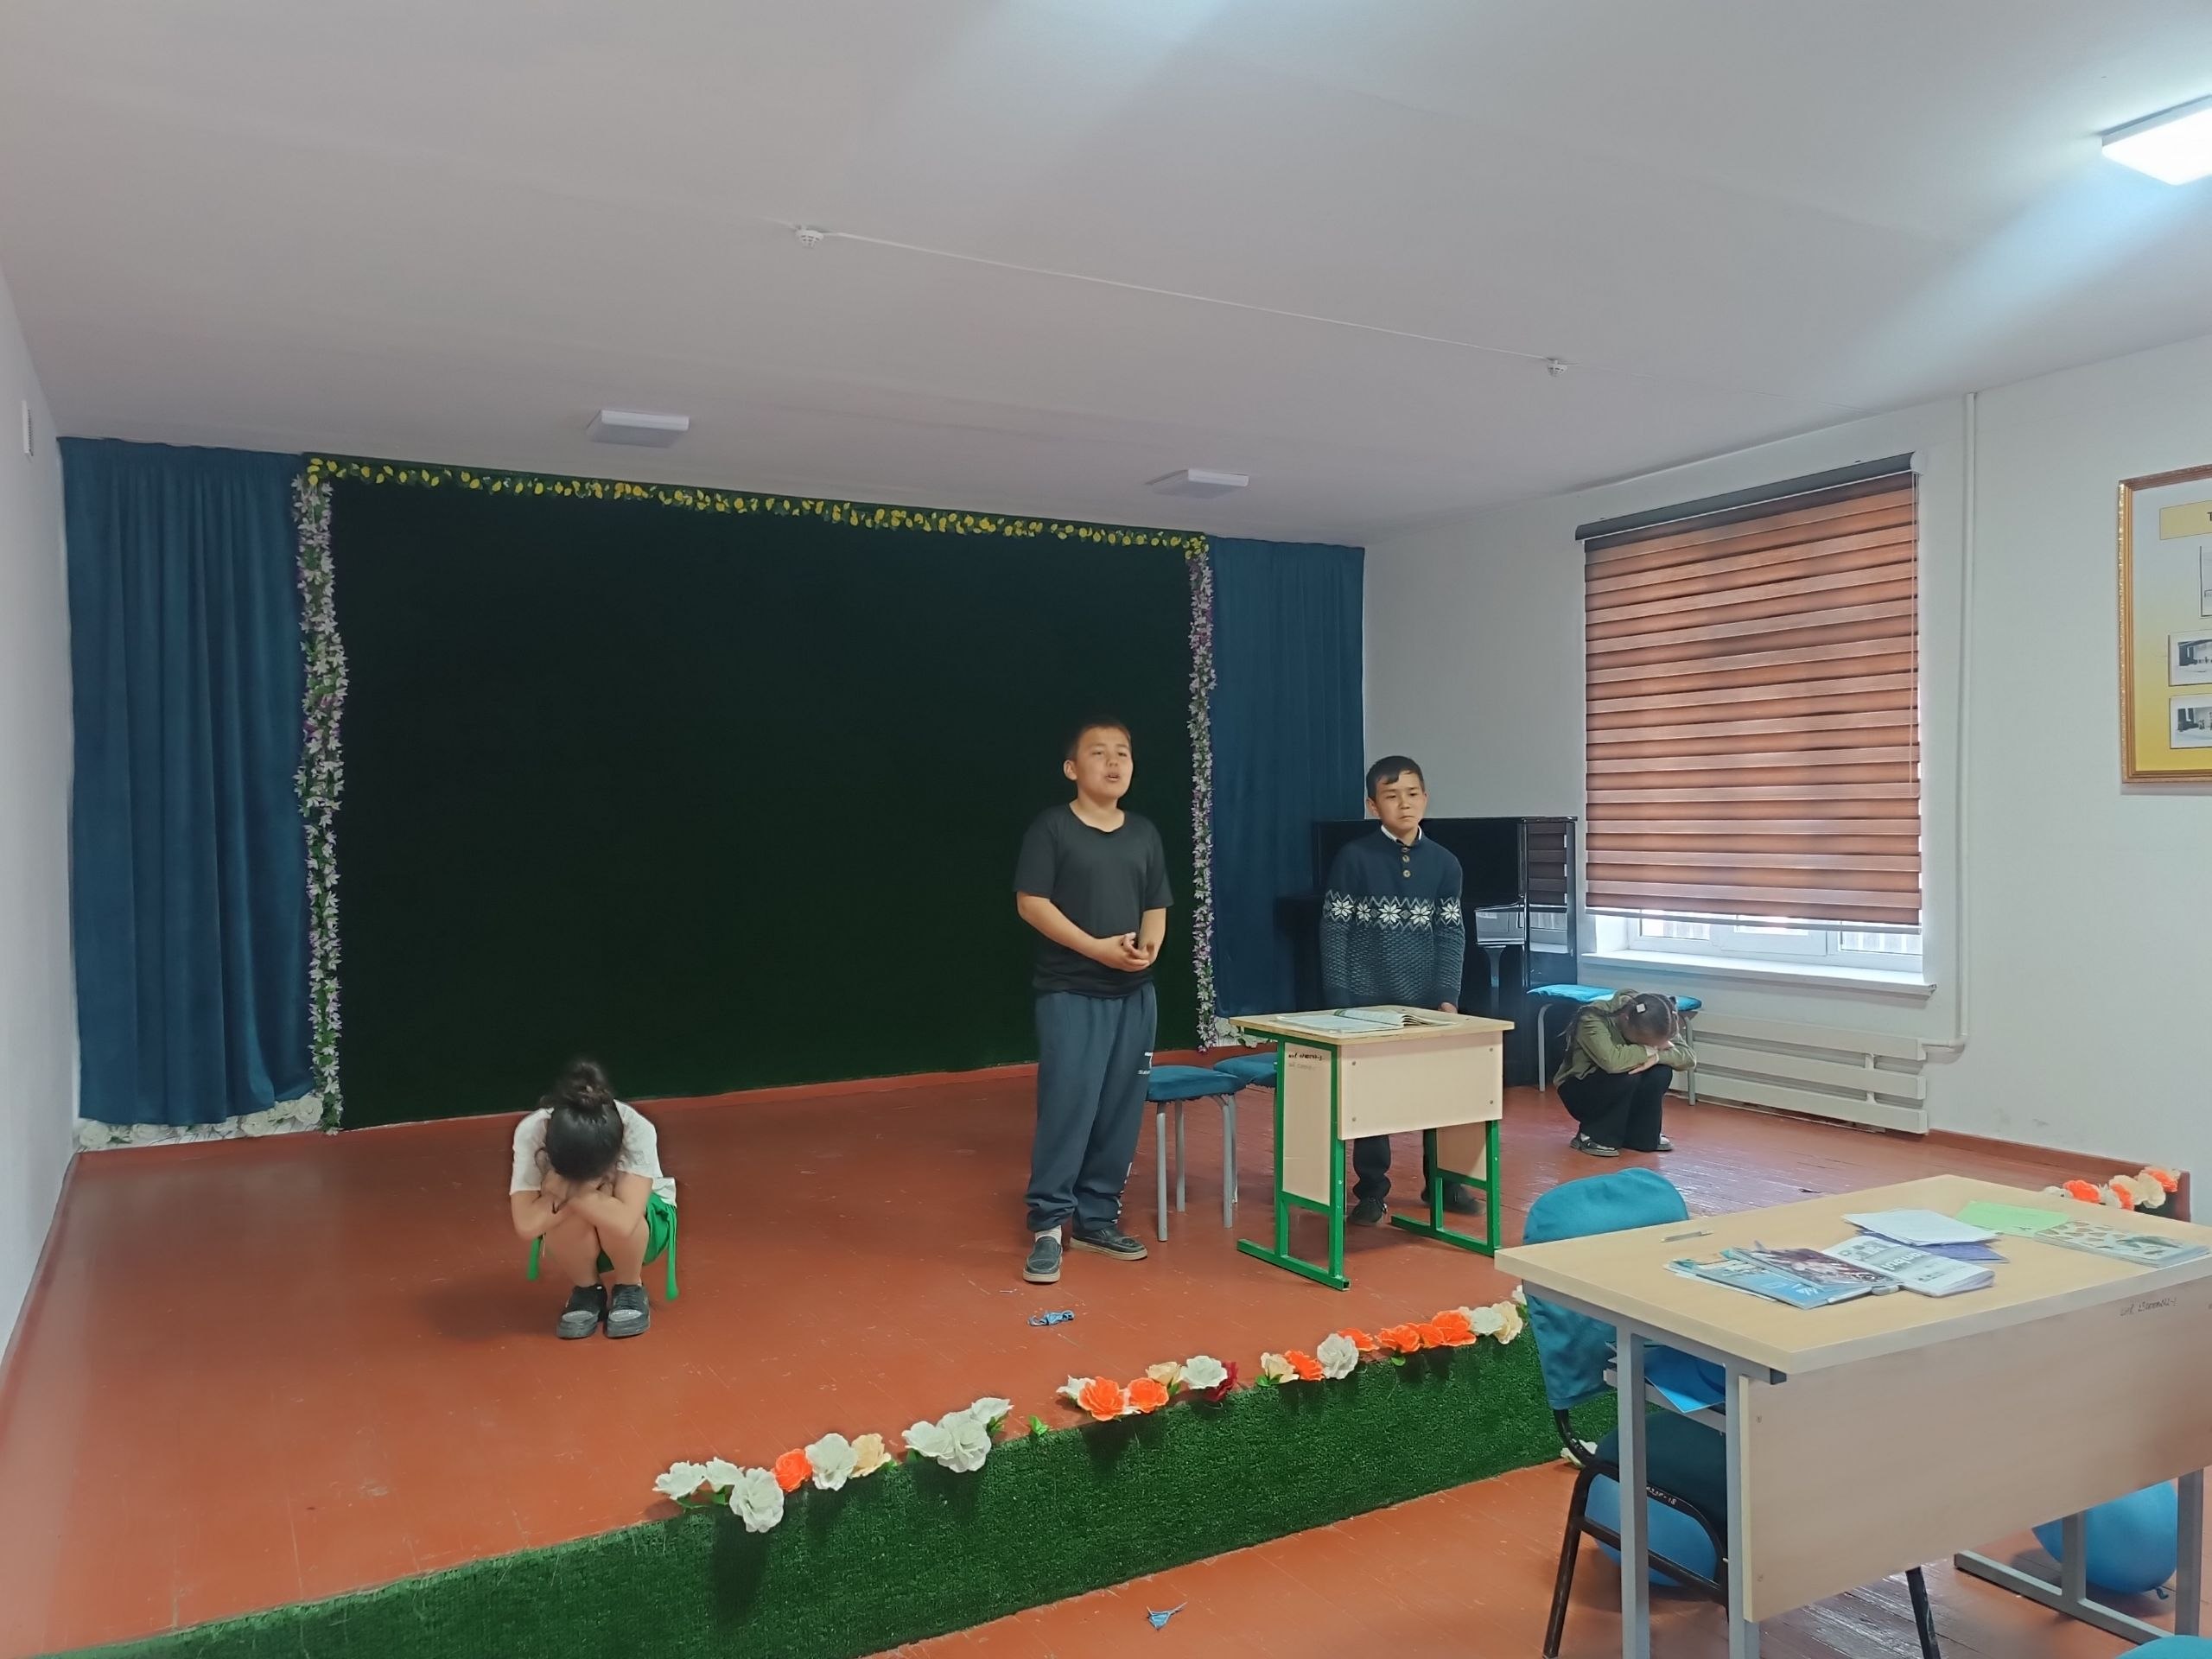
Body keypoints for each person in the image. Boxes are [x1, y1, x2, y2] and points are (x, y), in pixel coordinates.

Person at [1014, 718, 1172, 1285]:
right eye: (1099, 753)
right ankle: (1049, 1226)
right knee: (1069, 1104)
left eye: (1122, 753)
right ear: (1071, 769)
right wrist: (1096, 949)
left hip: (1134, 995)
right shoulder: (1053, 828)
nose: (1113, 762)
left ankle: (1098, 1218)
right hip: (1071, 992)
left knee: (1120, 1109)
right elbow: (1031, 903)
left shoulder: (1144, 833)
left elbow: (1156, 905)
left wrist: (1146, 951)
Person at [1319, 754, 1474, 1225]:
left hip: (1426, 1003)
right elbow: (1334, 929)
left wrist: (1447, 994)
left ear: (1425, 798)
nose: (1404, 804)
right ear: (1373, 805)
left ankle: (1443, 1183)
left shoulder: (1445, 863)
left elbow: (1451, 933)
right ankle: (1371, 1191)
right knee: (1372, 1102)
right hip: (1366, 1002)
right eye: (1391, 796)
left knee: (1439, 1096)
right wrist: (1339, 998)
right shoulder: (1354, 858)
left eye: (1412, 794)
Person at [508, 1059, 677, 1338]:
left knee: (604, 1200)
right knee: (573, 1211)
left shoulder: (637, 1129)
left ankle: (630, 1286)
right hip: (578, 1216)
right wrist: (586, 1191)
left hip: (645, 1226)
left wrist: (565, 1189)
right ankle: (587, 1290)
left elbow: (625, 1222)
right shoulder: (532, 1131)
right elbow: (527, 1224)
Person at [1554, 991, 1693, 1157]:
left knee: (1660, 1071)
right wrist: (1650, 1050)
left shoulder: (1658, 1015)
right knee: (1627, 1073)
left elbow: (1688, 1057)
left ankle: (1641, 1135)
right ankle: (1593, 1134)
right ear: (1625, 1018)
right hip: (1580, 1088)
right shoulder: (1593, 1017)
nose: (1651, 1046)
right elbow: (1612, 1062)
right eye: (1643, 1042)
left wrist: (1657, 1058)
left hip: (1623, 1083)